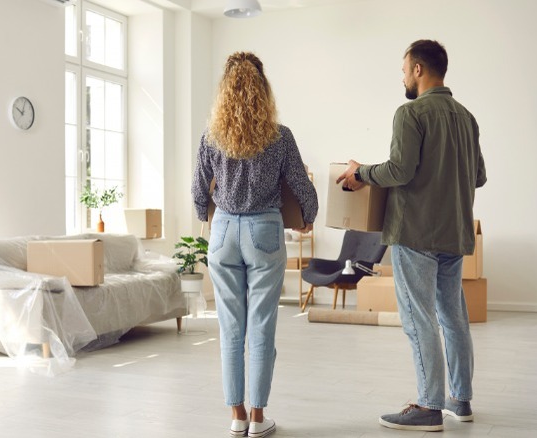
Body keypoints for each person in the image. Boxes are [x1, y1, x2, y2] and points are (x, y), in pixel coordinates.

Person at [337, 39, 487, 432]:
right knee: (453, 318)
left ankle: (428, 405)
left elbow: (400, 171)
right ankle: (461, 398)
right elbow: (479, 177)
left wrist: (361, 173)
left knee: (419, 319)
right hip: (455, 234)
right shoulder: (467, 118)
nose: (402, 76)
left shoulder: (410, 113)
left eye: (404, 69)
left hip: (415, 234)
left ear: (418, 70)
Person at [192, 52, 318, 438]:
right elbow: (302, 188)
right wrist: (308, 216)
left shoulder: (212, 137)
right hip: (264, 231)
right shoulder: (280, 136)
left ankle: (237, 415)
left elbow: (199, 193)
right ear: (263, 89)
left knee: (230, 330)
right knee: (261, 328)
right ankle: (259, 419)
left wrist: (205, 214)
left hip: (224, 234)